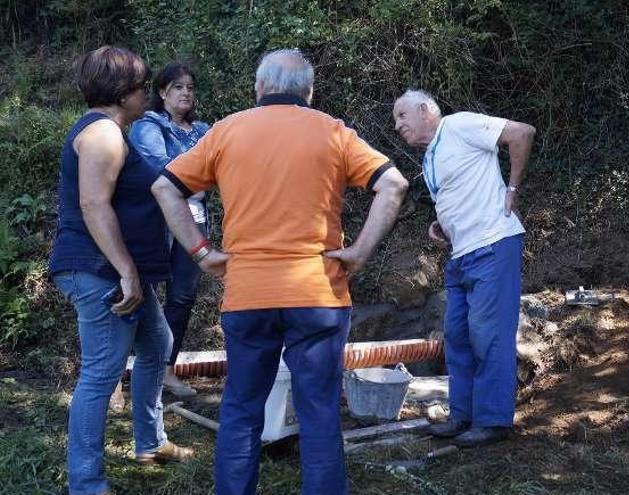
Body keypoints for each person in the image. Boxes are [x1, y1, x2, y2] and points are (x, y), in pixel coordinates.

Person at [151, 49, 408, 495]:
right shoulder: (333, 132)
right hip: (318, 295)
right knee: (319, 412)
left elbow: (164, 186)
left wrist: (200, 252)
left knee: (242, 409)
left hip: (249, 295)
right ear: (308, 91)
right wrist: (360, 251)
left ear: (259, 87)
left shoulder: (225, 131)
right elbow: (394, 183)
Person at [47, 46, 193, 495]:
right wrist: (128, 271)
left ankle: (149, 442)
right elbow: (93, 206)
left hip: (116, 270)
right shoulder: (102, 135)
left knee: (157, 345)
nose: (146, 94)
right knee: (101, 372)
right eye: (142, 86)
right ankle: (86, 483)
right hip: (99, 271)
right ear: (123, 90)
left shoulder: (113, 132)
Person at [392, 89, 536, 447]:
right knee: (457, 337)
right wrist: (443, 224)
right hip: (461, 255)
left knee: (488, 334)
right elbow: (460, 191)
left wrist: (513, 188)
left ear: (426, 110)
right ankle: (464, 416)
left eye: (401, 116)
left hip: (493, 245)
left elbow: (522, 132)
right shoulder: (429, 158)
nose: (397, 126)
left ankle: (493, 422)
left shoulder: (457, 126)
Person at [129, 62, 211, 397]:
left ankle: (166, 370)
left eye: (190, 87)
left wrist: (194, 182)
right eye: (178, 87)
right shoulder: (148, 127)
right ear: (162, 92)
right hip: (155, 220)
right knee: (139, 292)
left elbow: (216, 169)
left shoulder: (203, 129)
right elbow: (159, 171)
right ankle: (120, 373)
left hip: (193, 220)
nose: (186, 92)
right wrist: (196, 181)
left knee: (182, 296)